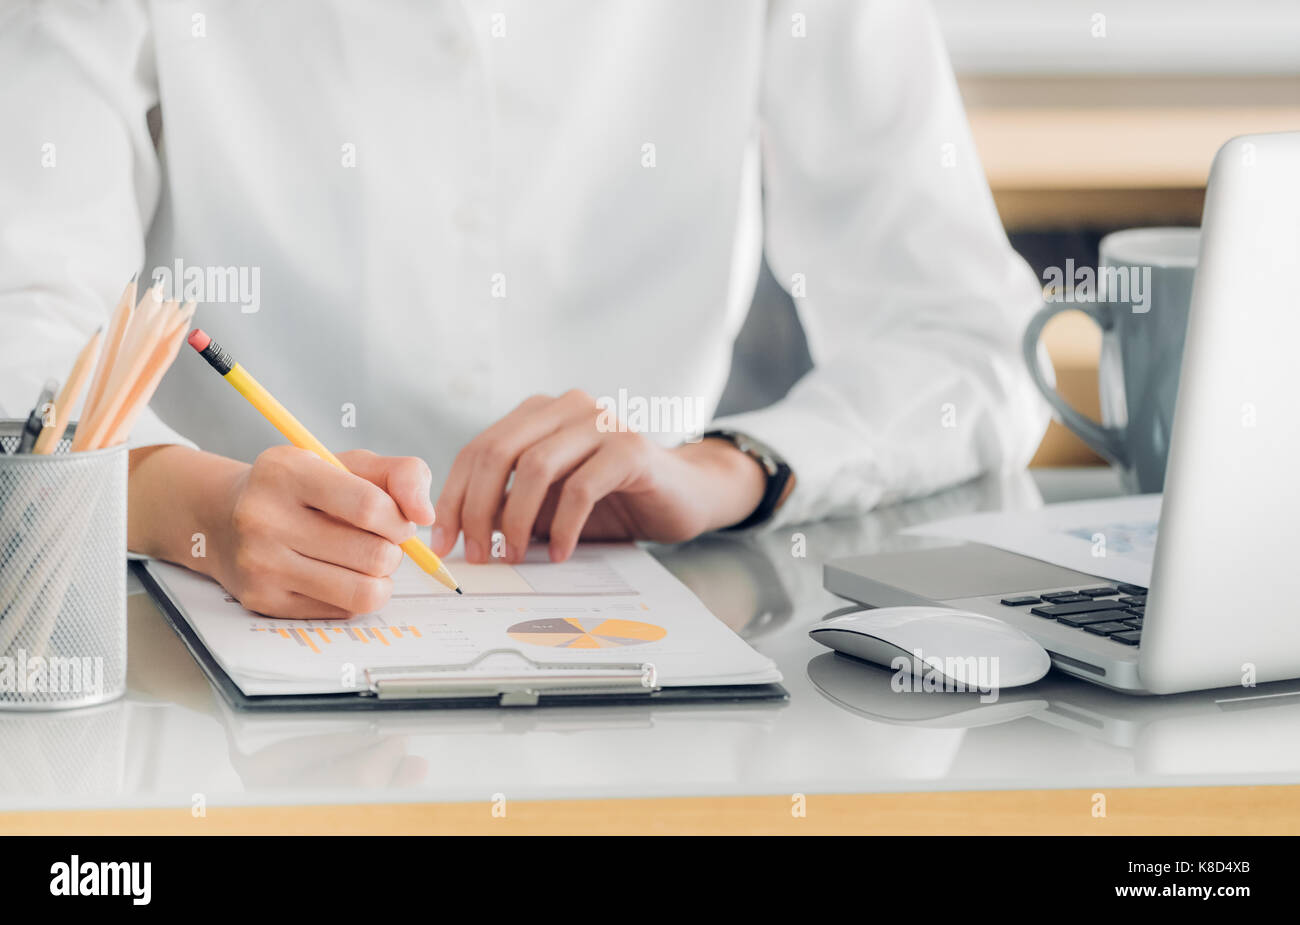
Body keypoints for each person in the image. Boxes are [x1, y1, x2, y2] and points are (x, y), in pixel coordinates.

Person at [0, 1, 1048, 620]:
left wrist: (724, 468)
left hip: (642, 638)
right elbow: (20, 318)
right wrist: (196, 511)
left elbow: (967, 336)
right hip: (206, 629)